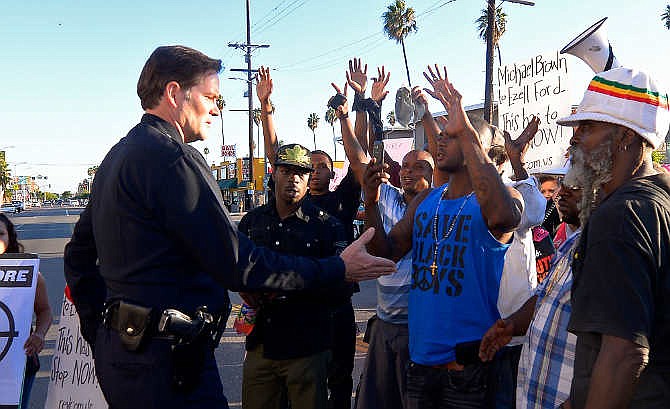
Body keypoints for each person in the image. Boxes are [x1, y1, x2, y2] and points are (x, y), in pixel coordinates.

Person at [63, 45, 396, 409]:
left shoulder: (118, 155)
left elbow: (78, 255)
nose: (217, 109)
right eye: (210, 97)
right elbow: (239, 263)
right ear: (175, 94)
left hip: (125, 357)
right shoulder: (175, 160)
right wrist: (338, 268)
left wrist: (99, 330)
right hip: (169, 365)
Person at [364, 65, 522, 409]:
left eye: (451, 136)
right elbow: (386, 254)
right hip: (421, 362)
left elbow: (504, 217)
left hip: (469, 366)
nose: (438, 142)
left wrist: (463, 127)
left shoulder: (504, 197)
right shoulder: (426, 201)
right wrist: (371, 202)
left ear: (472, 141)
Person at [557, 67, 670, 408]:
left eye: (587, 127)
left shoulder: (620, 216)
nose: (575, 138)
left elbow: (624, 354)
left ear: (625, 137)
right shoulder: (657, 199)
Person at [257, 65, 362, 409]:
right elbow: (275, 154)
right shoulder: (288, 206)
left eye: (320, 167)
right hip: (296, 312)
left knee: (339, 380)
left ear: (332, 173)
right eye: (307, 168)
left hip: (336, 308)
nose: (313, 172)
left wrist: (352, 109)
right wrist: (266, 107)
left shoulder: (340, 203)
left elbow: (359, 158)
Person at [331, 64, 434, 409]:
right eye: (404, 165)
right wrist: (350, 111)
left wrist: (428, 112)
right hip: (385, 322)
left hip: (419, 327)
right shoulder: (385, 197)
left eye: (417, 165)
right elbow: (358, 159)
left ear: (433, 176)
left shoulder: (439, 205)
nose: (406, 171)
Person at [237, 143, 348, 409]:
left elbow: (339, 289)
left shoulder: (327, 226)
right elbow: (233, 267)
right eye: (286, 171)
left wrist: (296, 286)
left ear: (309, 177)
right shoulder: (252, 222)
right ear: (273, 173)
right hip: (261, 344)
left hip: (307, 348)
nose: (294, 178)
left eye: (301, 172)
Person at [479, 176, 583, 409]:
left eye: (575, 189)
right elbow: (546, 297)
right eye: (562, 188)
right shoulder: (573, 243)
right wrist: (513, 324)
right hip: (536, 383)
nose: (561, 194)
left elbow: (620, 348)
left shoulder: (603, 242)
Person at [484, 118, 547, 409]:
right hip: (474, 333)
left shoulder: (512, 194)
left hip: (513, 332)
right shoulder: (457, 197)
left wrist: (518, 164)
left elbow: (534, 211)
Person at [0, 212, 53, 409]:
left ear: (10, 237)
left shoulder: (31, 274)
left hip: (19, 363)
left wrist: (39, 334)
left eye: (0, 233)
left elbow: (45, 311)